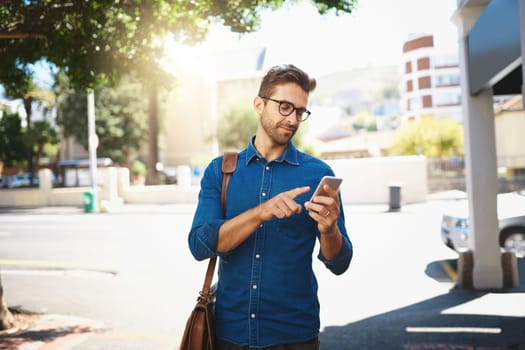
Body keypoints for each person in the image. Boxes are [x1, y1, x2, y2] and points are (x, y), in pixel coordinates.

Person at [188, 64, 353, 350]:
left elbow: (340, 262)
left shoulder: (317, 174)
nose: (293, 119)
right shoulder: (221, 171)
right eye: (285, 107)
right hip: (230, 334)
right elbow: (200, 245)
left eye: (300, 112)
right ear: (259, 104)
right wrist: (261, 213)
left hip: (295, 337)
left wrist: (329, 231)